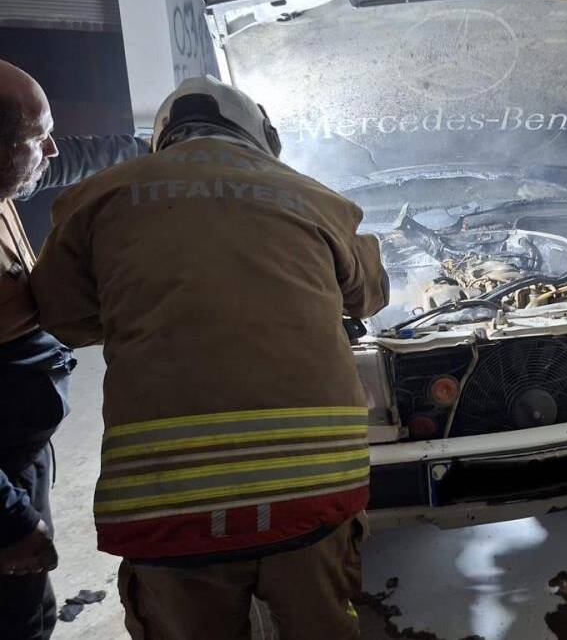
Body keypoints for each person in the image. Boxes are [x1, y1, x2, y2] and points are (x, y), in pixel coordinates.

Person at [30, 76, 389, 640]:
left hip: (168, 502)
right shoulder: (317, 196)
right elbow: (369, 295)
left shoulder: (97, 196)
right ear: (260, 134)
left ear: (162, 136)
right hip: (313, 487)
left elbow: (62, 317)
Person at [0, 59, 149, 640]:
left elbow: (76, 157)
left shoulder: (7, 179)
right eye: (39, 139)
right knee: (19, 617)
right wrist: (10, 520)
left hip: (19, 448)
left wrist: (150, 146)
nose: (54, 151)